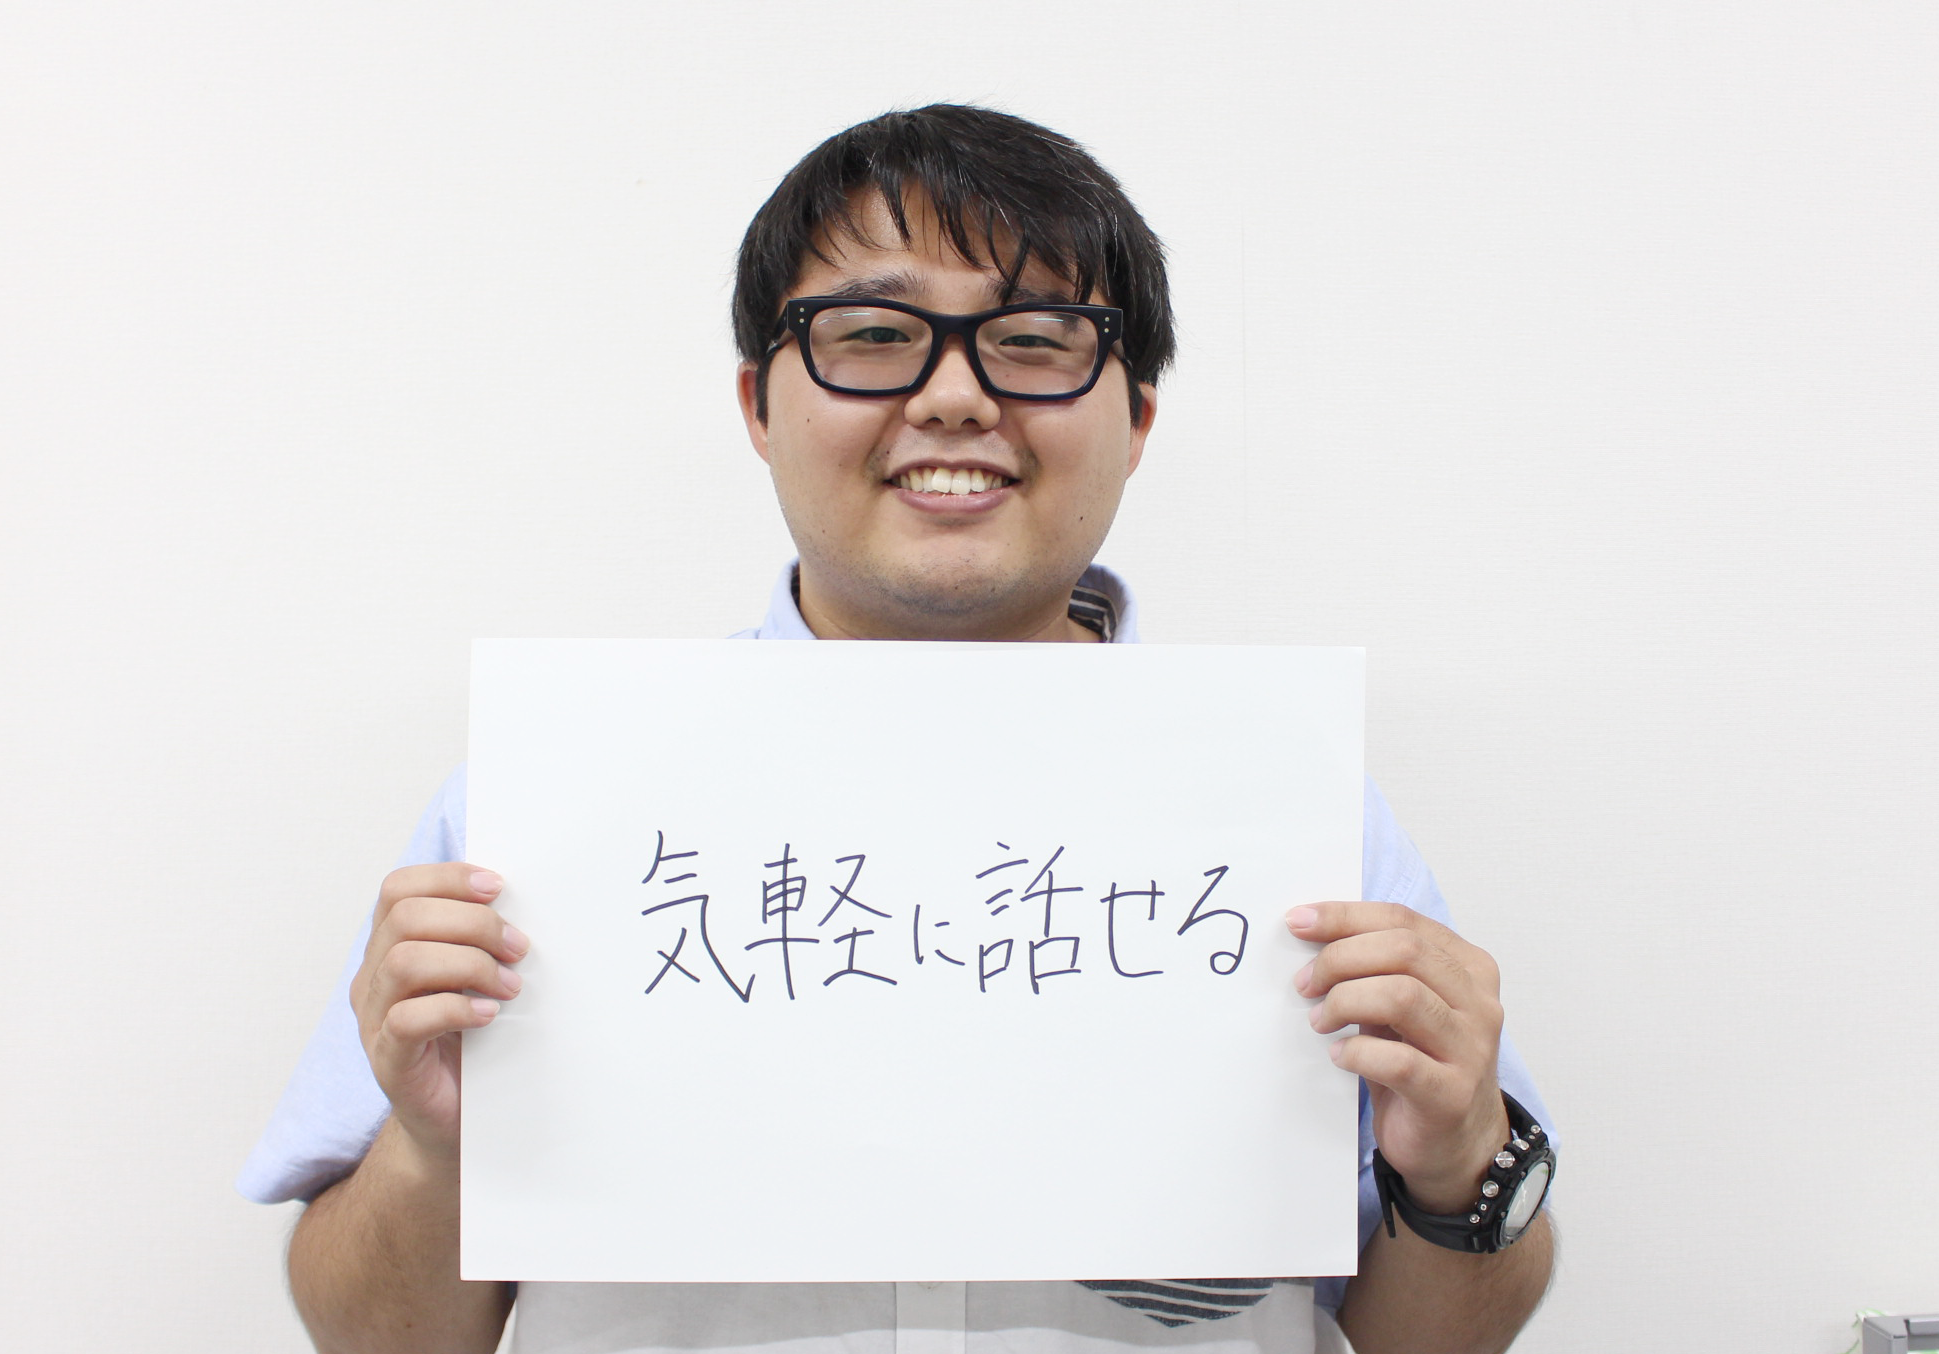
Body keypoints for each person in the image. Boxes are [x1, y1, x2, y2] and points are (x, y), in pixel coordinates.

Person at [241, 104, 1558, 1354]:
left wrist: (1456, 1162)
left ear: (1138, 419)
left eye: (1036, 339)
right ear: (758, 406)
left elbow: (1429, 1338)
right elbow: (372, 1336)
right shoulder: (550, 800)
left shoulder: (1291, 808)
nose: (954, 397)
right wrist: (434, 1152)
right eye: (871, 334)